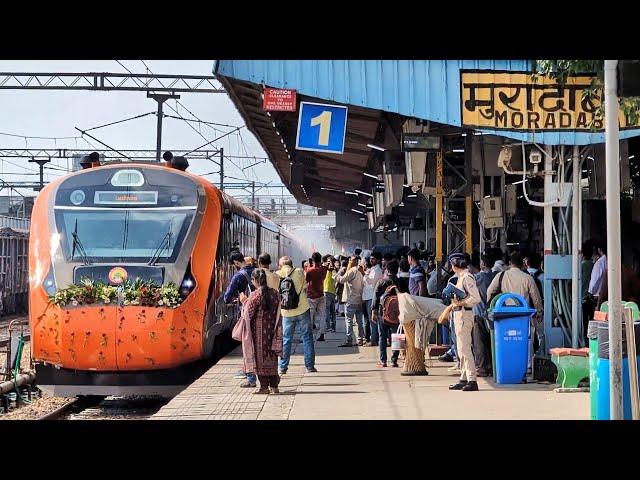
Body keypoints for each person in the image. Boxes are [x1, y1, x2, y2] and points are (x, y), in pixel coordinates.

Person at [486, 251, 544, 371]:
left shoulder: (501, 276)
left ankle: (507, 362)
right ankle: (526, 366)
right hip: (523, 315)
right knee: (526, 340)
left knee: (506, 338)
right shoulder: (528, 278)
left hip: (505, 314)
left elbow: (490, 291)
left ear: (509, 263)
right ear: (523, 264)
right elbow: (536, 298)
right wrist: (539, 312)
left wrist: (492, 306)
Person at [239, 268, 283, 394]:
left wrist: (244, 302)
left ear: (255, 280)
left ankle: (264, 387)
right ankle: (274, 387)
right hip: (272, 332)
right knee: (272, 358)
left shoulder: (255, 295)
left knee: (260, 359)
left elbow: (248, 314)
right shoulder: (275, 293)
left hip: (258, 335)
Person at [447, 253, 482, 392]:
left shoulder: (467, 278)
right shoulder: (461, 278)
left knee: (465, 348)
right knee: (461, 348)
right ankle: (464, 377)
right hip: (459, 313)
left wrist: (460, 302)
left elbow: (476, 298)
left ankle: (472, 379)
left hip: (464, 314)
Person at [276, 256, 316, 374]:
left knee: (286, 339)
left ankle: (283, 367)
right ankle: (309, 366)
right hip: (302, 309)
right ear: (291, 264)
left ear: (280, 265)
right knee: (307, 337)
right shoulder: (299, 272)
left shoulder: (278, 274)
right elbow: (305, 286)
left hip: (287, 312)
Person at [224, 251, 257, 387]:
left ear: (236, 263)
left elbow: (227, 297)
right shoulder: (257, 271)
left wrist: (235, 299)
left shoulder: (238, 276)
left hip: (247, 314)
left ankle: (250, 377)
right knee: (258, 344)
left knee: (247, 344)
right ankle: (255, 372)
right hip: (261, 312)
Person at [372, 259, 402, 367]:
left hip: (383, 314)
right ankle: (394, 360)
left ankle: (383, 361)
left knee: (382, 336)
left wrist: (373, 311)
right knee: (397, 336)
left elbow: (375, 298)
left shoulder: (381, 282)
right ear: (397, 269)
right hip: (398, 314)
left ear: (387, 270)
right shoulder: (401, 282)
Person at [472, 254, 497, 377]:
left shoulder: (477, 278)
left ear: (482, 263)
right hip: (493, 314)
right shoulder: (496, 277)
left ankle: (482, 368)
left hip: (479, 313)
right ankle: (493, 367)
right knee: (492, 341)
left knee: (479, 342)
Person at [336, 256, 365, 347]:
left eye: (350, 260)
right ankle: (360, 339)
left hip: (350, 300)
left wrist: (337, 274)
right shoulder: (360, 272)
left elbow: (341, 280)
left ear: (354, 262)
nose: (349, 261)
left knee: (349, 321)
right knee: (360, 321)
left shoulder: (352, 271)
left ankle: (349, 340)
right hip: (358, 300)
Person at [362, 251, 384, 347]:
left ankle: (374, 340)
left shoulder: (377, 270)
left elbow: (372, 282)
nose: (371, 260)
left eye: (373, 259)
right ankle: (372, 338)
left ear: (378, 260)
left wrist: (364, 274)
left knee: (373, 320)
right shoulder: (372, 269)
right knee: (369, 320)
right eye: (370, 258)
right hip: (367, 296)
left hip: (372, 297)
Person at [306, 252, 328, 341]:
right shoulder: (324, 269)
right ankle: (322, 334)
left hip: (311, 295)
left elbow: (306, 279)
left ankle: (309, 334)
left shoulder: (310, 270)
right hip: (321, 294)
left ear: (313, 260)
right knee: (322, 315)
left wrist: (309, 265)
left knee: (310, 316)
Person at [581, 242, 595, 343]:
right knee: (592, 323)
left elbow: (570, 283)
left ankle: (585, 343)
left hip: (582, 299)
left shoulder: (580, 266)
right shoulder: (594, 265)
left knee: (584, 324)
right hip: (592, 299)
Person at [588, 240, 608, 308]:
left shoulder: (599, 263)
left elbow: (595, 280)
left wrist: (591, 292)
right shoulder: (612, 260)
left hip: (599, 296)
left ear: (599, 250)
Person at [323, 255, 338, 333]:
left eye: (331, 262)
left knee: (331, 311)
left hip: (331, 292)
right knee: (328, 311)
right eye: (328, 262)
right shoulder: (325, 269)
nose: (329, 263)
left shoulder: (333, 270)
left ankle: (332, 327)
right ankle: (328, 327)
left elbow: (336, 279)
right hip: (326, 291)